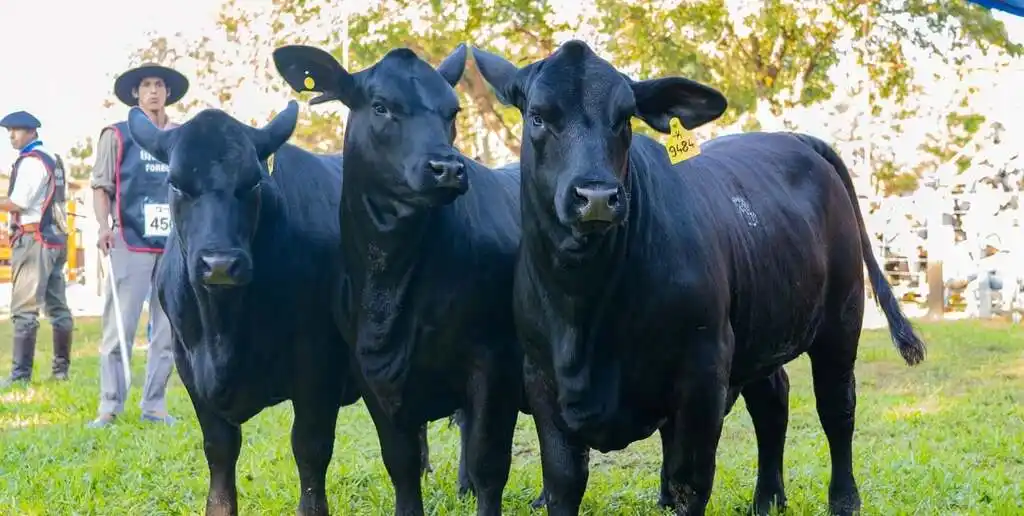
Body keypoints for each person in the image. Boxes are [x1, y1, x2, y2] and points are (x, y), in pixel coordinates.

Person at [87, 63, 189, 427]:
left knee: (167, 331)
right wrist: (103, 226)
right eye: (146, 85)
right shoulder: (116, 134)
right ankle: (110, 406)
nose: (153, 91)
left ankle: (155, 405)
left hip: (173, 247)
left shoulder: (181, 135)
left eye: (159, 85)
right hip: (129, 240)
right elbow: (101, 186)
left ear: (167, 92)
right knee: (119, 329)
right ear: (136, 93)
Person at [0, 111, 74, 387]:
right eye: (8, 131)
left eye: (16, 131)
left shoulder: (32, 162)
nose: (11, 136)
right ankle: (60, 371)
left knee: (24, 308)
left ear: (31, 132)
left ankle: (20, 375)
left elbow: (18, 203)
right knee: (57, 306)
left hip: (35, 241)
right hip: (54, 239)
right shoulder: (52, 158)